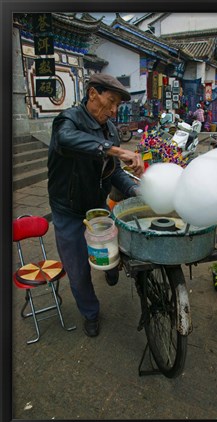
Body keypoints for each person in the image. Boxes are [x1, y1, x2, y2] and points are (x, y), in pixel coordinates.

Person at [47, 73, 144, 338]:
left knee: (111, 248)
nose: (113, 111)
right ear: (93, 94)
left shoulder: (110, 129)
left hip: (96, 205)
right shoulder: (67, 120)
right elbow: (68, 140)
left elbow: (112, 172)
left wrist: (135, 189)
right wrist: (115, 150)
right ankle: (90, 312)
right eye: (110, 102)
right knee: (77, 271)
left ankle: (111, 268)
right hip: (67, 210)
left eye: (117, 106)